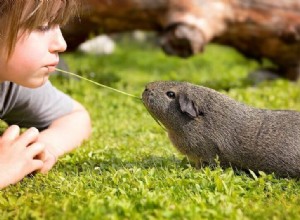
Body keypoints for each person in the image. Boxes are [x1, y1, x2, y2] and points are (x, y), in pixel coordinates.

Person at [0, 0, 91, 189]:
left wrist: (44, 147)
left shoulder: (10, 85)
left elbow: (74, 116)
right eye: (43, 26)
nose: (62, 44)